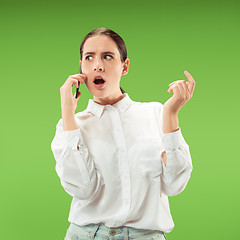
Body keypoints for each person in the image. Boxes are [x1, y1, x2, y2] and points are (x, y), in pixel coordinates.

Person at [51, 27, 195, 240]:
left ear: (124, 66)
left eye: (108, 56)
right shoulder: (72, 125)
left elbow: (175, 184)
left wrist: (172, 113)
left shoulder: (156, 113)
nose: (98, 65)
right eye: (89, 58)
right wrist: (67, 113)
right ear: (81, 66)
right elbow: (83, 190)